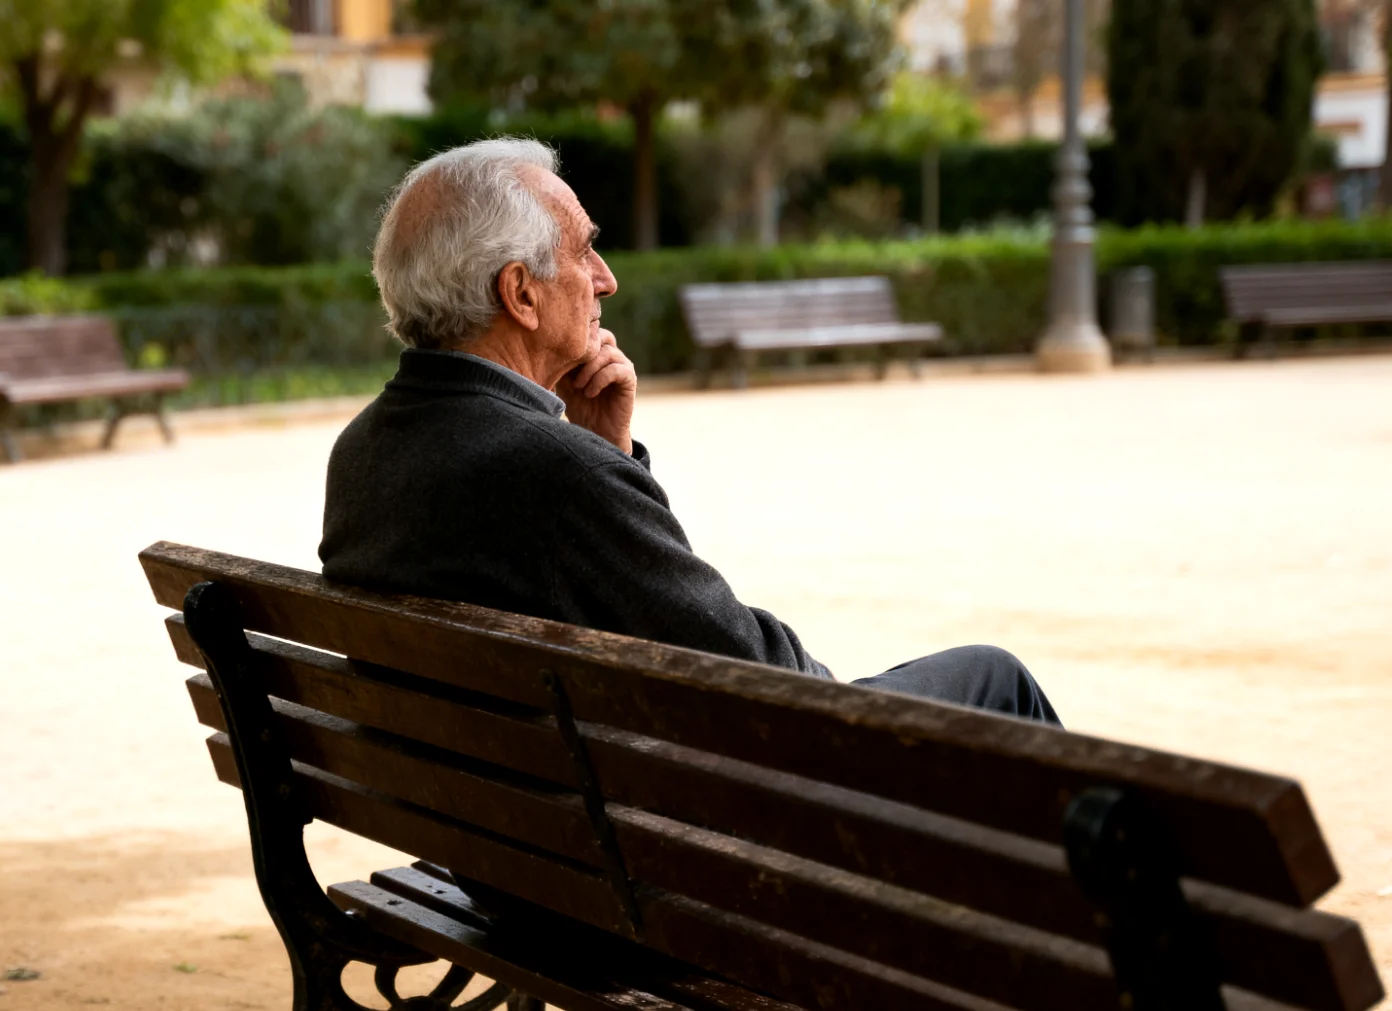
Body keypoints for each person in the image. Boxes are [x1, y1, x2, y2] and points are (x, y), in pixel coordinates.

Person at [320, 139, 1059, 725]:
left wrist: (605, 450)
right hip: (620, 850)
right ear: (520, 293)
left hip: (491, 832)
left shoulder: (361, 452)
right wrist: (595, 463)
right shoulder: (551, 471)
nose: (605, 278)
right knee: (993, 677)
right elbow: (756, 674)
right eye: (583, 251)